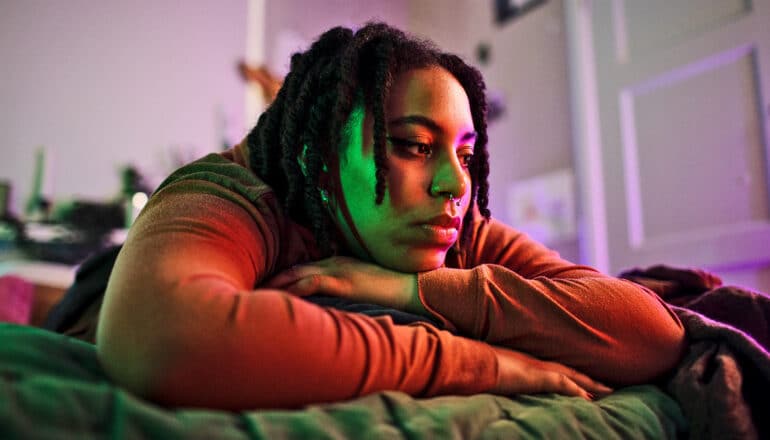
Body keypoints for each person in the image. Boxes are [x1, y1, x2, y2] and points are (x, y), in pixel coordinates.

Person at [95, 22, 685, 410]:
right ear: (317, 155)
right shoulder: (234, 193)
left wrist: (414, 289)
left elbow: (653, 336)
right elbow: (161, 339)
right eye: (414, 146)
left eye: (465, 153)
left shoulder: (454, 228)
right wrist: (485, 364)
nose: (455, 183)